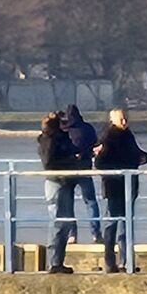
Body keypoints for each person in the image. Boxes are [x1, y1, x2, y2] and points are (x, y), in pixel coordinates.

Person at [94, 108, 147, 273]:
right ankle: (110, 262)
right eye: (121, 120)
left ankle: (127, 262)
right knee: (111, 224)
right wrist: (118, 172)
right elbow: (100, 164)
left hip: (130, 186)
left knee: (127, 226)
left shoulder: (129, 136)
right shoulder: (108, 138)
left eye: (126, 119)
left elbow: (138, 153)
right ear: (113, 120)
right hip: (113, 187)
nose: (125, 122)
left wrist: (144, 158)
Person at [37, 112, 82, 274]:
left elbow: (70, 150)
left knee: (66, 222)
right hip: (56, 182)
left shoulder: (61, 138)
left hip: (65, 182)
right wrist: (72, 160)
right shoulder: (49, 140)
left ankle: (58, 261)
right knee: (58, 222)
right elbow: (49, 162)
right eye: (63, 122)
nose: (67, 124)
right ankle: (55, 262)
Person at [59, 104, 102, 244]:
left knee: (68, 204)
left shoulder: (63, 129)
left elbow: (59, 148)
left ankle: (72, 234)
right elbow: (95, 145)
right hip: (84, 168)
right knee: (90, 202)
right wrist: (85, 154)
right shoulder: (87, 128)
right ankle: (96, 233)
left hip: (68, 170)